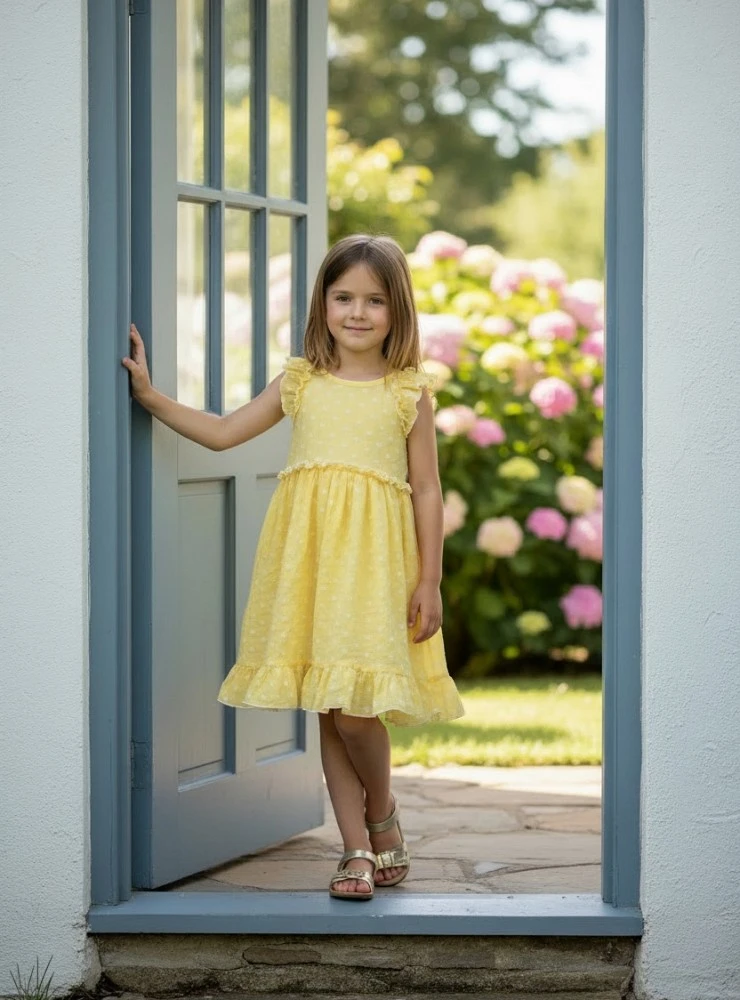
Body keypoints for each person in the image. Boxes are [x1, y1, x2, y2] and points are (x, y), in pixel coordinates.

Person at [122, 233, 464, 900]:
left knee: (360, 712)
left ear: (398, 310)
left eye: (374, 300)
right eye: (343, 298)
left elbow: (426, 488)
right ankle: (356, 850)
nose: (357, 313)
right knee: (329, 707)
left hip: (374, 568)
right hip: (309, 564)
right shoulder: (302, 380)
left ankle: (383, 813)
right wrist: (151, 397)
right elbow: (225, 432)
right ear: (323, 303)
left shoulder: (407, 393)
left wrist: (430, 579)